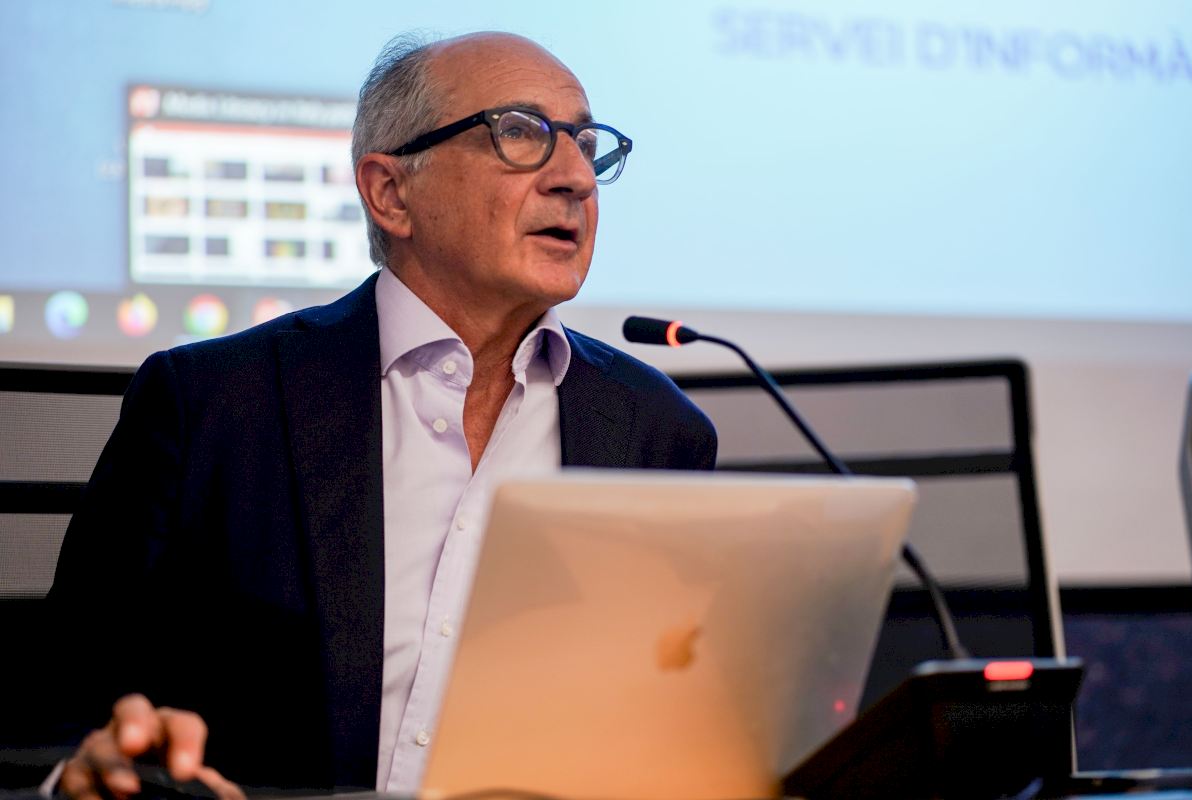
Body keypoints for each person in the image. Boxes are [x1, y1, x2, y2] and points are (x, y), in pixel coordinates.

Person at [46, 30, 716, 799]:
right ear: (390, 192)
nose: (576, 178)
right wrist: (90, 767)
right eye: (520, 133)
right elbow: (60, 701)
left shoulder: (657, 431)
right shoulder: (211, 406)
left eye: (586, 145)